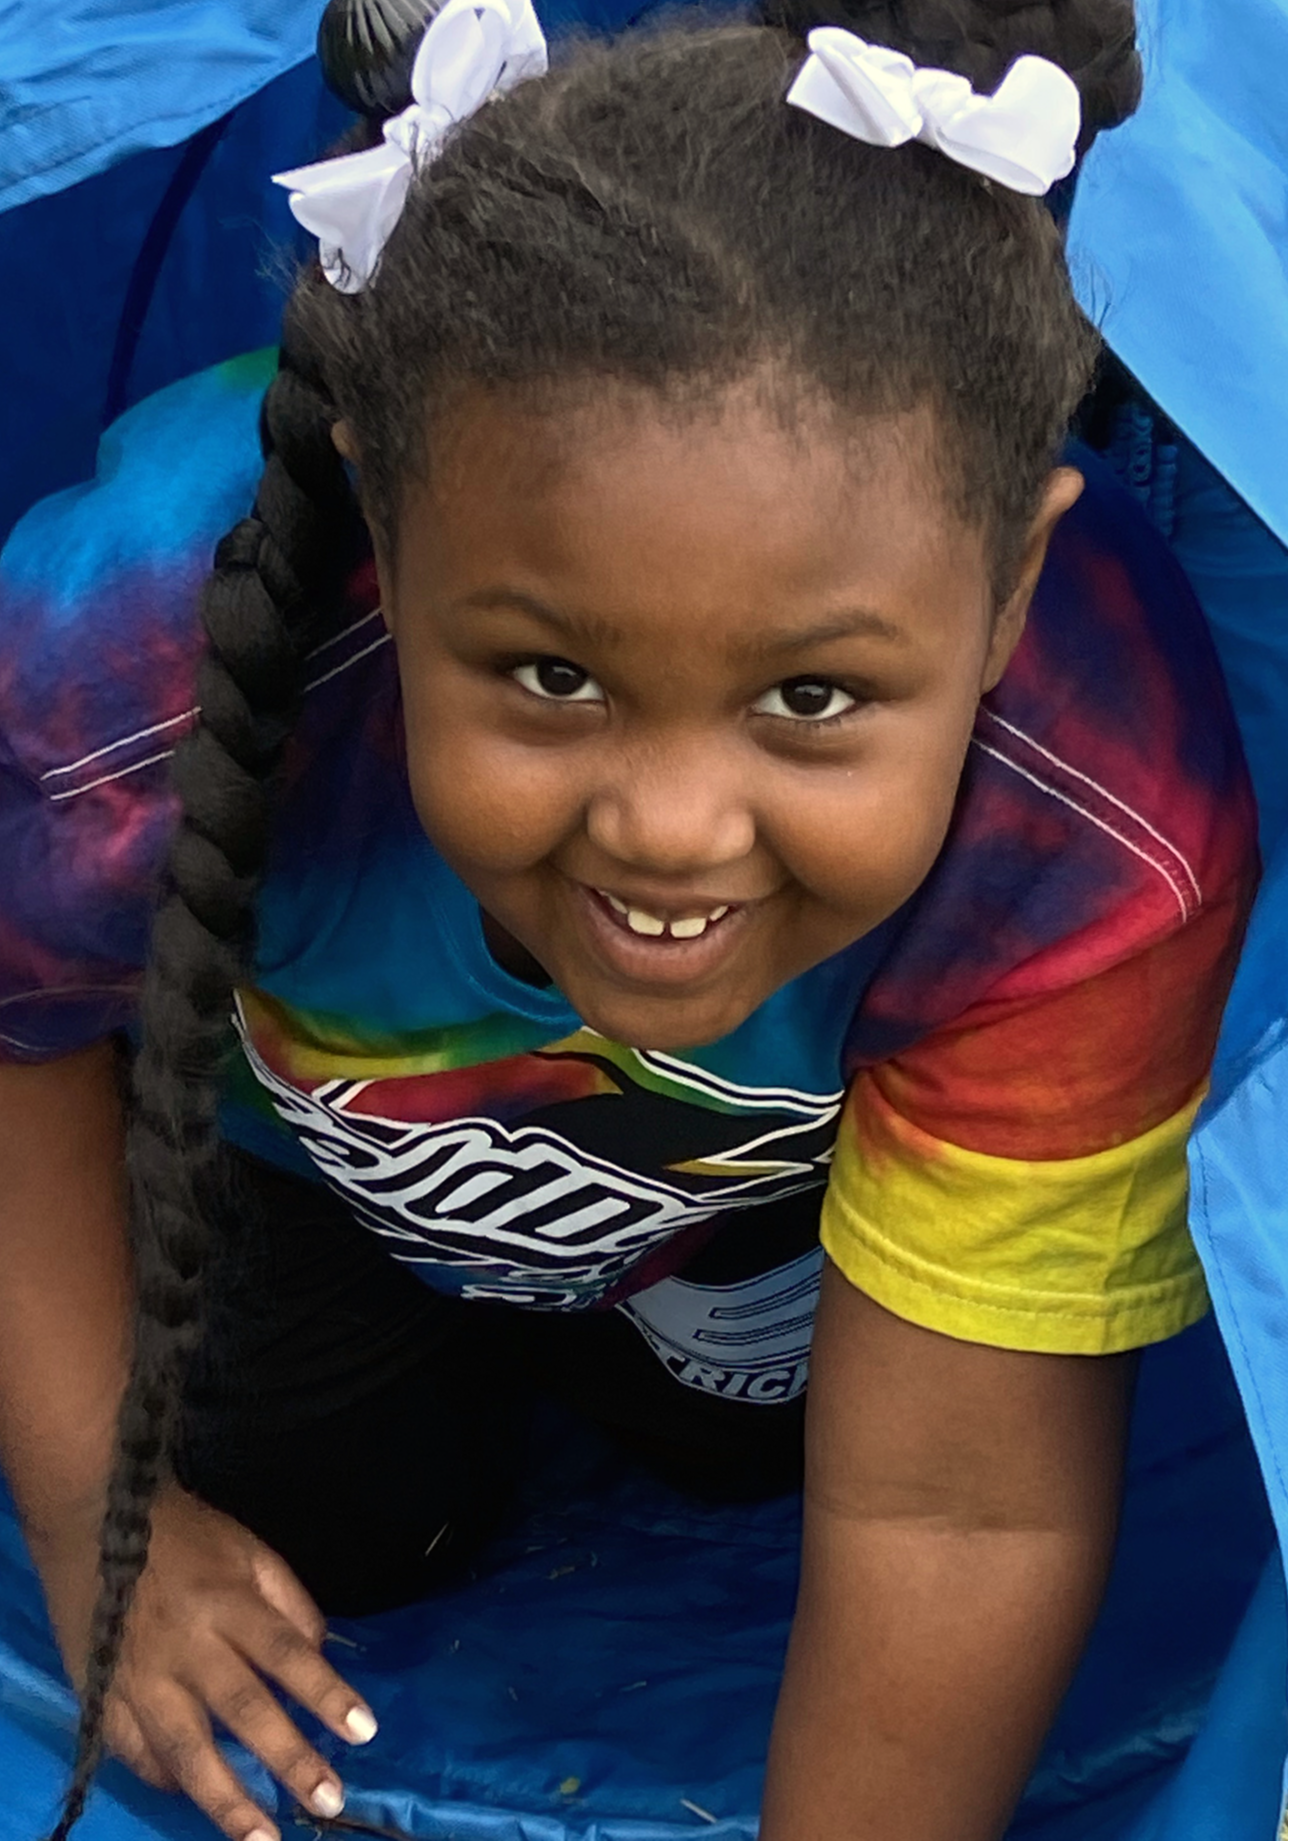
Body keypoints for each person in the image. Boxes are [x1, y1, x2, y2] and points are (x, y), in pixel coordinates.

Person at [0, 1, 1257, 1837]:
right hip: (310, 1163)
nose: (671, 829)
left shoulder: (1101, 828)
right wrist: (95, 1531)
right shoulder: (128, 656)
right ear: (383, 515)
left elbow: (956, 1510)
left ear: (1008, 596)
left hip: (748, 1193)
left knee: (757, 1457)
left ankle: (673, 1341)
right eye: (551, 674)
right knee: (350, 1531)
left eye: (812, 700)